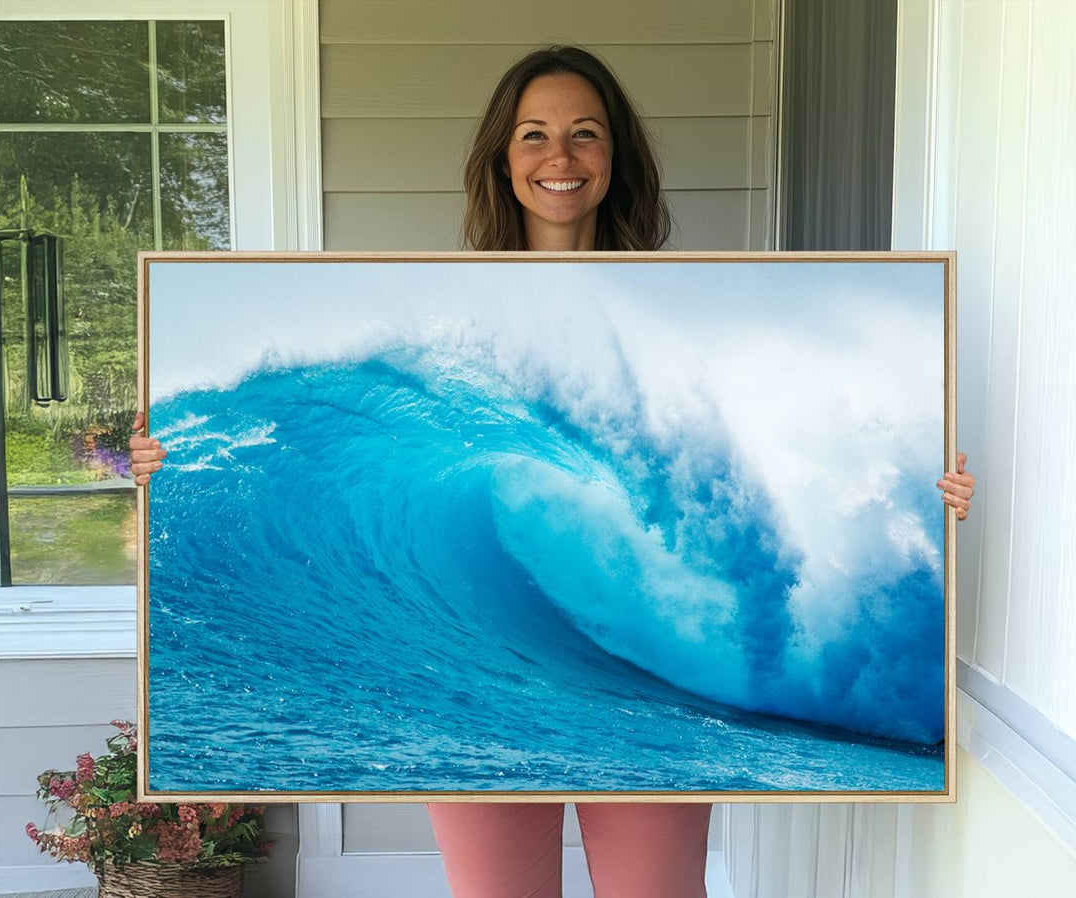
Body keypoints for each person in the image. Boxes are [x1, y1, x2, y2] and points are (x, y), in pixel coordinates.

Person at [130, 45, 976, 898]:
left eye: (585, 134)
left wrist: (930, 496)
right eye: (534, 135)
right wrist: (155, 464)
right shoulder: (439, 303)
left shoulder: (685, 306)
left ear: (616, 158)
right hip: (472, 689)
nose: (560, 157)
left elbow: (793, 442)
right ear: (503, 158)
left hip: (658, 708)